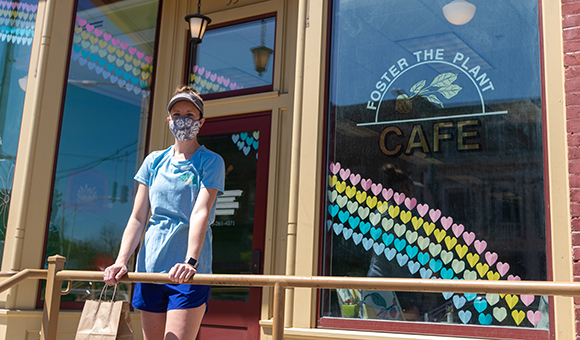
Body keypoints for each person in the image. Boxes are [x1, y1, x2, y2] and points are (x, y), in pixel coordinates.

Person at [103, 85, 225, 339]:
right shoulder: (153, 161)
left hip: (187, 272)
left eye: (190, 115)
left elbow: (200, 212)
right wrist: (121, 260)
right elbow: (138, 217)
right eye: (177, 114)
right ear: (169, 119)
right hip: (149, 268)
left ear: (201, 122)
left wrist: (191, 261)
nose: (183, 120)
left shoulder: (210, 161)